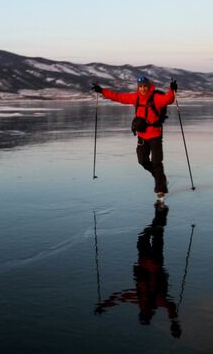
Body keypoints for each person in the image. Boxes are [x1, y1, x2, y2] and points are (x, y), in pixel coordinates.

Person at [94, 205, 181, 338]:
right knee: (147, 236)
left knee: (153, 237)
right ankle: (160, 213)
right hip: (149, 262)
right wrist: (174, 323)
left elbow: (119, 297)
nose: (144, 310)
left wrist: (104, 306)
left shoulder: (146, 299)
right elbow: (119, 297)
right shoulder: (149, 300)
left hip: (152, 262)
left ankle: (160, 213)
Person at [92, 76, 178, 204]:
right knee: (142, 160)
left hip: (155, 135)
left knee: (156, 162)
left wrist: (172, 90)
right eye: (140, 86)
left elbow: (169, 99)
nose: (143, 89)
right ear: (138, 87)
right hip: (142, 136)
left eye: (145, 86)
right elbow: (118, 96)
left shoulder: (156, 98)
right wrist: (102, 91)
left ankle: (160, 189)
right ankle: (161, 178)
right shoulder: (135, 97)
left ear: (148, 86)